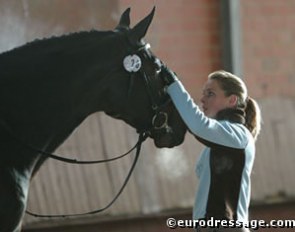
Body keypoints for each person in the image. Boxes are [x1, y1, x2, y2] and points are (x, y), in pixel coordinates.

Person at [161, 67, 262, 232]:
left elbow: (199, 126)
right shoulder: (223, 139)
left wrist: (173, 84)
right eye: (203, 94)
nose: (202, 99)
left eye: (210, 94)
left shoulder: (238, 135)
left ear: (232, 100)